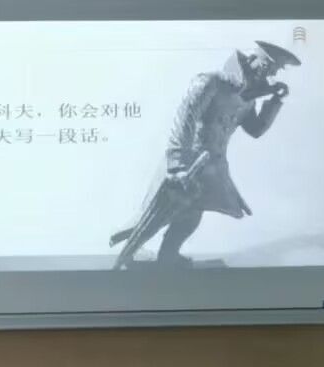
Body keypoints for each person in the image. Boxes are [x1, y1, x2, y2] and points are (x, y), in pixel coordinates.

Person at [109, 40, 302, 269]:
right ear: (252, 58)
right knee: (157, 215)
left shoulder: (247, 100)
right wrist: (177, 165)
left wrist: (275, 102)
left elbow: (256, 130)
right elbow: (185, 120)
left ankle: (168, 257)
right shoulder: (210, 82)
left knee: (191, 217)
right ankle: (124, 252)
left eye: (275, 69)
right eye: (268, 65)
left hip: (212, 169)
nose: (271, 73)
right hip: (186, 164)